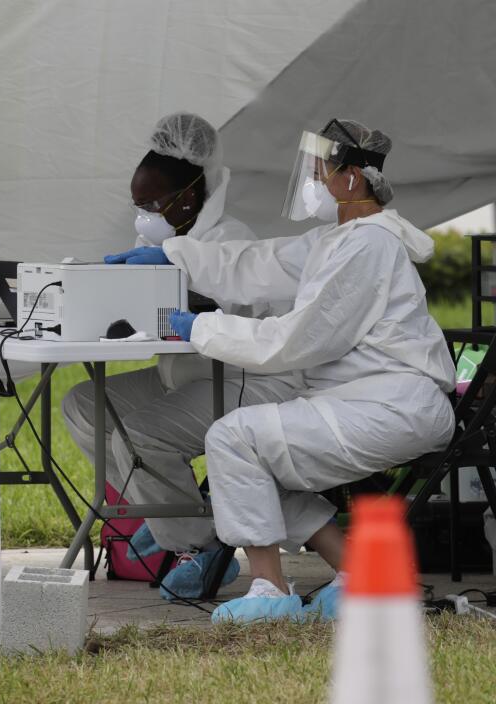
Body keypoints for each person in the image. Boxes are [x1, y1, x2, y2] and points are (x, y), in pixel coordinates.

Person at [162, 118, 454, 622]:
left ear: (352, 179)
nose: (312, 182)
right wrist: (172, 255)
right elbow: (257, 263)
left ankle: (270, 591)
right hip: (365, 401)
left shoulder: (368, 246)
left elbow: (296, 339)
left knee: (235, 440)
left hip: (392, 407)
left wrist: (200, 328)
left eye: (320, 172)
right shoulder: (339, 239)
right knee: (255, 457)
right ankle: (360, 575)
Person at [64, 112, 303, 600]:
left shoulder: (229, 240)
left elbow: (232, 314)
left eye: (151, 203)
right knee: (84, 404)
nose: (142, 215)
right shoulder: (158, 239)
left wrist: (186, 291)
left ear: (189, 196)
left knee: (141, 435)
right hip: (187, 375)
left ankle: (200, 545)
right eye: (137, 204)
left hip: (245, 379)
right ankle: (170, 515)